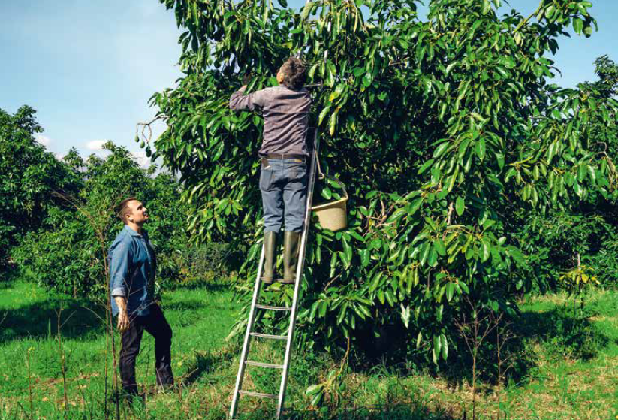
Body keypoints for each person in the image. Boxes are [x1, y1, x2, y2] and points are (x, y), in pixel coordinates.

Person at [229, 57, 312, 285]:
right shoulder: (306, 97)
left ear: (281, 77)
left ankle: (267, 272)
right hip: (296, 163)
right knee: (294, 217)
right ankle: (289, 272)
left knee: (272, 218)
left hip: (270, 163)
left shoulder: (267, 94)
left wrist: (243, 85)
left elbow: (235, 103)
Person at [109, 197, 174, 398]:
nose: (145, 209)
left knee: (164, 334)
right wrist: (122, 309)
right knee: (130, 351)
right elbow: (117, 276)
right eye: (139, 208)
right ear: (129, 216)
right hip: (131, 307)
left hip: (146, 302)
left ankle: (165, 385)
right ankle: (130, 395)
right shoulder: (125, 242)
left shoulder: (142, 236)